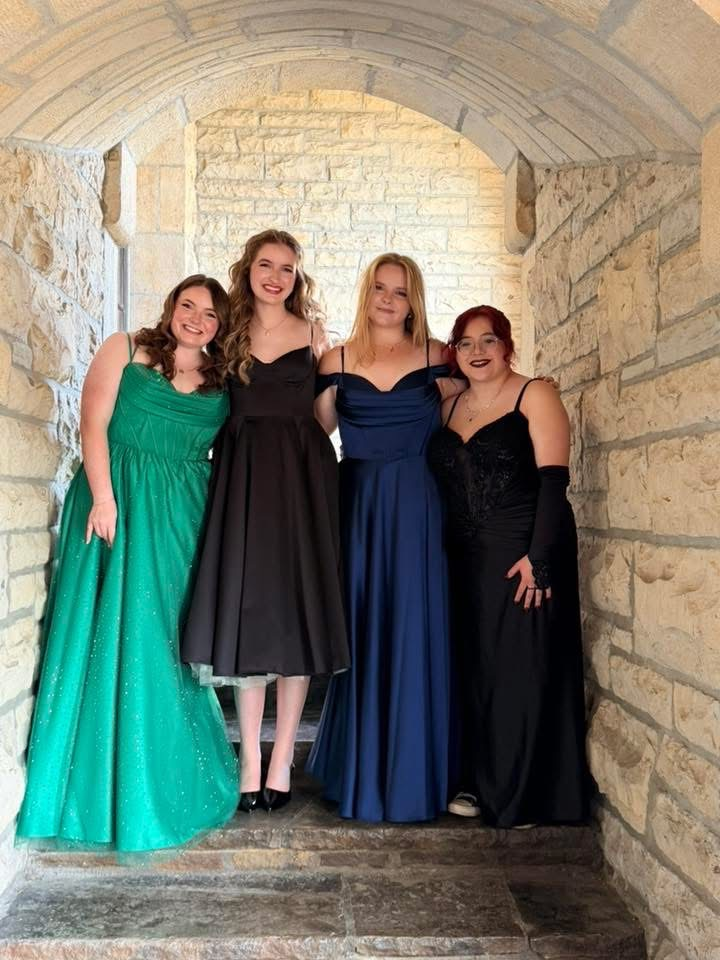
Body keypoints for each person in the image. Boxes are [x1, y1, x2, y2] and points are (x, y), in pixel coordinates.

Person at [16, 276, 239, 852]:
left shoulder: (223, 380)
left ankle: (158, 778)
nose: (196, 318)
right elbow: (92, 424)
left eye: (209, 313)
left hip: (180, 520)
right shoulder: (125, 348)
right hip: (113, 501)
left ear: (221, 324)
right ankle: (98, 783)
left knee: (162, 639)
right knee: (105, 633)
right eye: (187, 305)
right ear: (169, 308)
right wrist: (106, 497)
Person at [182, 230, 349, 814]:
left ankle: (282, 759)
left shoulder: (316, 335)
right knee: (252, 616)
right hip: (242, 482)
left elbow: (322, 418)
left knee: (297, 617)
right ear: (247, 268)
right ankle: (249, 757)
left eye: (286, 268)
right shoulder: (225, 331)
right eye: (265, 265)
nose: (275, 276)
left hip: (302, 483)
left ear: (298, 276)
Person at [307, 252, 461, 822]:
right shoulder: (336, 358)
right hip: (361, 505)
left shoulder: (438, 357)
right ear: (366, 292)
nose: (388, 299)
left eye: (400, 290)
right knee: (366, 629)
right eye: (380, 287)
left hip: (419, 505)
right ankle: (364, 772)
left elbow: (469, 418)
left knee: (414, 628)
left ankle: (413, 775)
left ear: (413, 298)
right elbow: (316, 433)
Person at [427, 305, 589, 827]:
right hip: (461, 561)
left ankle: (523, 794)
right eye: (466, 343)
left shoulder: (534, 394)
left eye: (488, 340)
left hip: (521, 555)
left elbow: (553, 482)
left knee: (518, 673)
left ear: (507, 346)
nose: (478, 352)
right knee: (472, 672)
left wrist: (539, 559)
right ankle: (477, 782)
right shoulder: (449, 404)